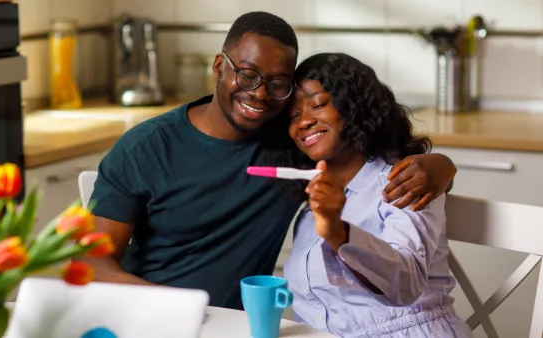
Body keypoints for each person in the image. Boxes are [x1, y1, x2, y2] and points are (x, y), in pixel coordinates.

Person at [83, 11, 457, 310]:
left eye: (278, 84)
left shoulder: (291, 142)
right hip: (147, 317)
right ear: (219, 66)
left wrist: (440, 167)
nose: (260, 94)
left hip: (241, 327)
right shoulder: (145, 148)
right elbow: (91, 261)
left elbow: (367, 157)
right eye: (247, 75)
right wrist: (174, 305)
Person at [276, 52, 472, 337]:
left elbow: (405, 282)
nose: (303, 122)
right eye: (293, 115)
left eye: (318, 104)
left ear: (354, 106)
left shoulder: (404, 180)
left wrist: (338, 232)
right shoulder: (310, 207)